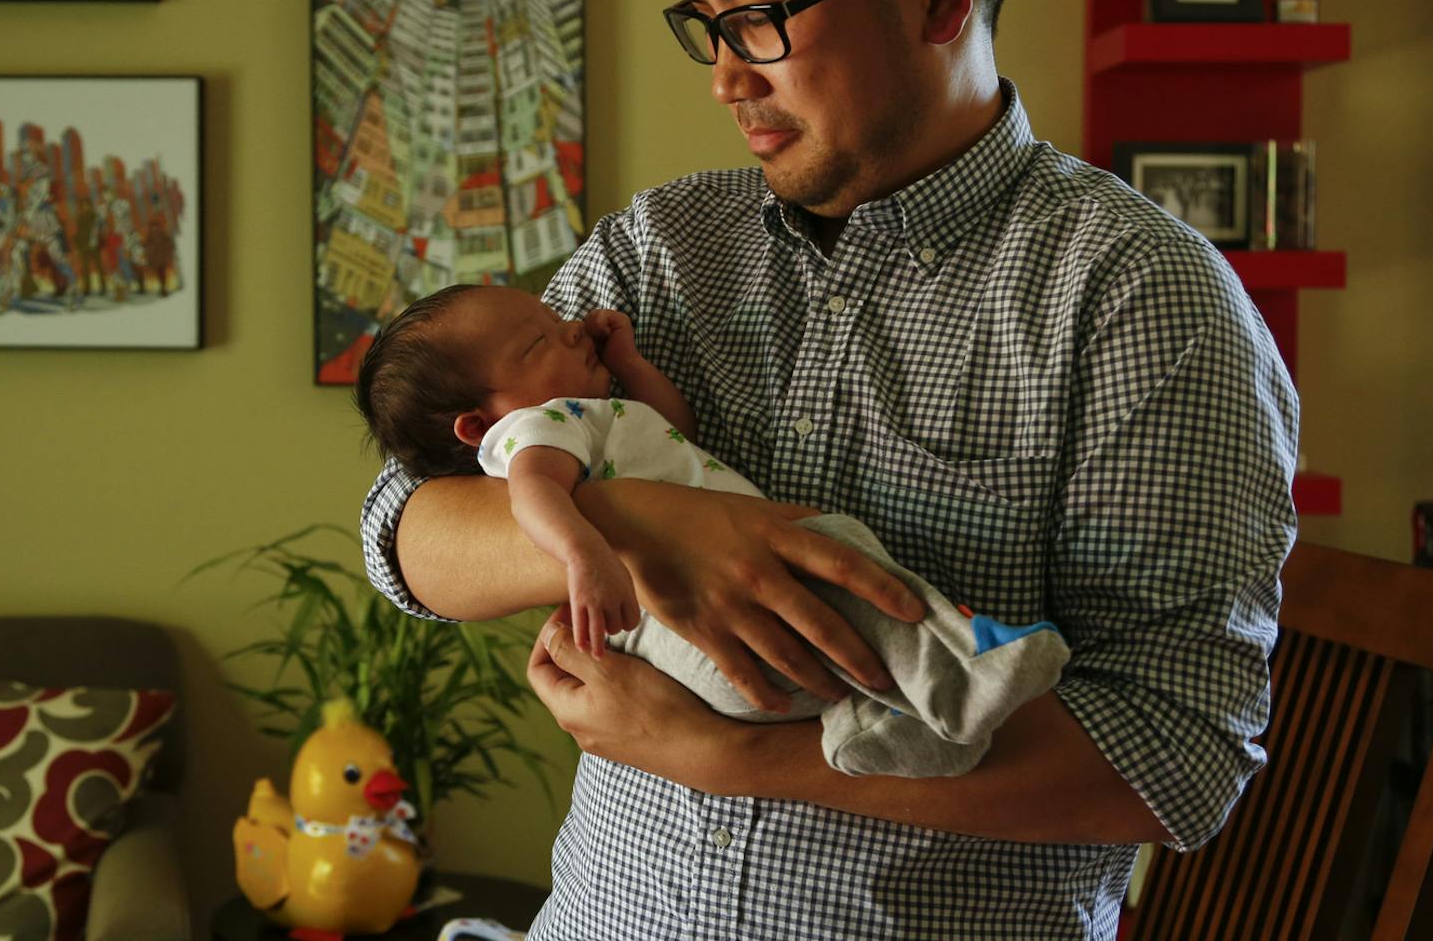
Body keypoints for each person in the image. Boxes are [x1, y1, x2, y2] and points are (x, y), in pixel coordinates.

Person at [359, 0, 1298, 941]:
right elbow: (403, 535)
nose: (726, 73)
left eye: (760, 13)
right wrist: (643, 518)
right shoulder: (661, 254)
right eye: (706, 20)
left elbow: (1177, 757)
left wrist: (744, 760)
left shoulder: (1141, 304)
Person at [354, 280, 1071, 779]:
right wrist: (590, 549)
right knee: (837, 546)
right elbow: (523, 500)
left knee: (827, 587)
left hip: (724, 657)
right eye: (538, 340)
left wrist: (629, 365)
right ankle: (962, 661)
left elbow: (676, 432)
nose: (570, 325)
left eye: (555, 314)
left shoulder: (590, 413)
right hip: (684, 628)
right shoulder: (532, 432)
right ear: (478, 424)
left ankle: (887, 728)